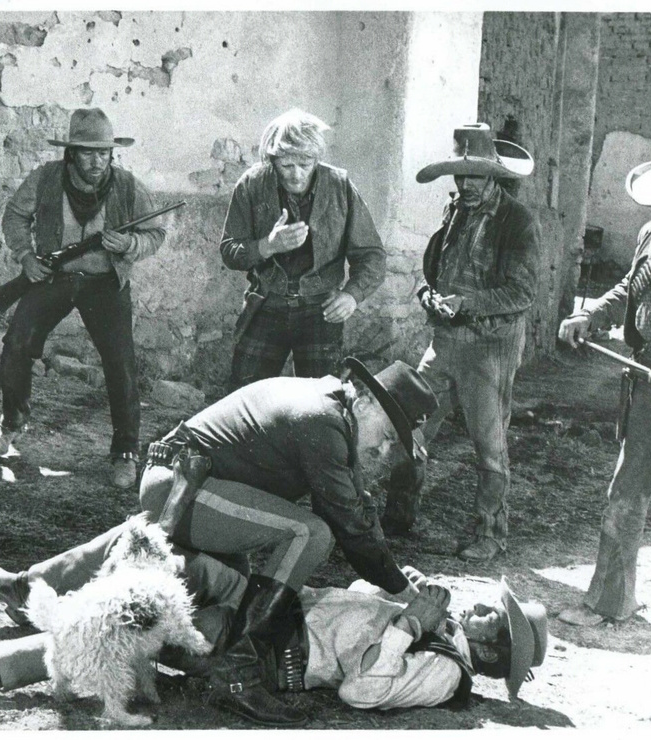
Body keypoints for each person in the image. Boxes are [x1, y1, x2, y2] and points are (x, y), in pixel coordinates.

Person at [0, 527, 548, 720]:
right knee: (159, 543)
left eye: (493, 615)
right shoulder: (441, 622)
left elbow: (362, 691)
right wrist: (387, 591)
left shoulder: (445, 673)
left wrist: (408, 623)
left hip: (269, 650)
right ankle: (31, 585)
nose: (479, 607)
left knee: (130, 623)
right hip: (277, 606)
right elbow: (352, 612)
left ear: (493, 650)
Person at [135, 356, 437, 723]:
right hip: (180, 490)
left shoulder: (337, 413)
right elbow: (349, 526)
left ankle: (136, 651)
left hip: (206, 497)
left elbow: (359, 512)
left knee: (235, 609)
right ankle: (237, 678)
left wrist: (402, 586)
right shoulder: (322, 420)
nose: (384, 451)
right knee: (309, 533)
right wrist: (405, 593)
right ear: (365, 402)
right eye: (388, 436)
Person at [383, 123, 539, 564]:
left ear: (493, 175)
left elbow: (522, 293)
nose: (467, 184)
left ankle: (490, 532)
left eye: (476, 175)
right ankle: (397, 518)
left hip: (490, 348)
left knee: (489, 445)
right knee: (409, 426)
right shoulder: (455, 211)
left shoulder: (516, 222)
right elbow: (436, 269)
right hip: (445, 342)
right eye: (461, 175)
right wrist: (427, 294)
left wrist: (467, 303)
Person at [0, 108, 166, 490]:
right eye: (87, 152)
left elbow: (155, 233)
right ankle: (11, 424)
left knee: (121, 362)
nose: (97, 161)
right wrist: (26, 257)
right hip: (55, 278)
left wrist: (129, 245)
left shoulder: (128, 186)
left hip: (105, 282)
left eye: (103, 152)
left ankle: (126, 452)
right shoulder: (45, 178)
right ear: (71, 153)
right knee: (17, 343)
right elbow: (14, 217)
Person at [557, 133, 651, 626]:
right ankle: (610, 601)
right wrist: (590, 313)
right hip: (649, 382)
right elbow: (628, 288)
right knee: (625, 493)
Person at [220, 108, 386, 390]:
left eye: (305, 164)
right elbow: (229, 250)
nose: (296, 175)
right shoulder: (251, 184)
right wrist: (268, 245)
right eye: (286, 165)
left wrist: (352, 295)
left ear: (316, 159)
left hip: (321, 310)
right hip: (267, 303)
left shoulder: (340, 186)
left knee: (321, 399)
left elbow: (371, 255)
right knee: (245, 395)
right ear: (272, 160)